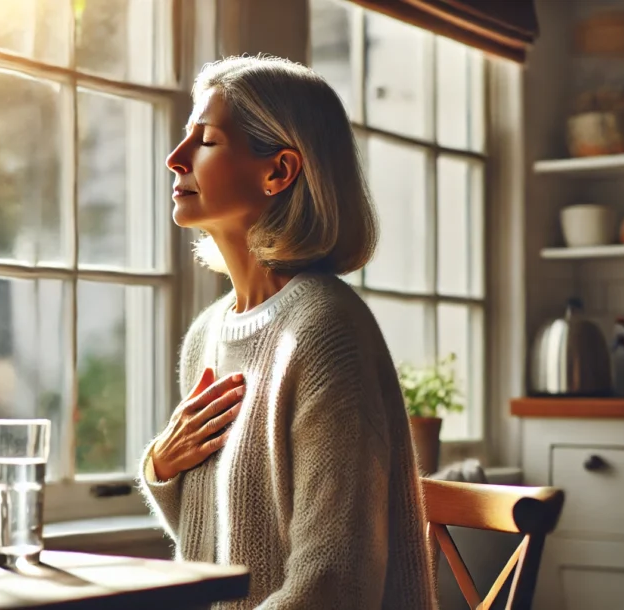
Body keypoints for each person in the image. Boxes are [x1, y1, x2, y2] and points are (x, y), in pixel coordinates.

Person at [137, 55, 437, 609]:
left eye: (204, 140)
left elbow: (333, 584)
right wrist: (162, 466)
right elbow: (216, 544)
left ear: (278, 171)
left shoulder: (326, 332)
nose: (174, 159)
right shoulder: (208, 335)